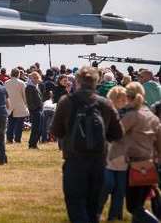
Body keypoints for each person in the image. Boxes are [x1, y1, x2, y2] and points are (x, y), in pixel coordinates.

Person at [51, 67, 123, 223]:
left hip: (74, 161)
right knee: (93, 208)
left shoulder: (67, 102)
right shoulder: (105, 103)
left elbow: (56, 131)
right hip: (98, 162)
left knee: (75, 204)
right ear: (96, 82)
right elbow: (118, 134)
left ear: (77, 82)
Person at [120, 82, 161, 222]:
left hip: (135, 165)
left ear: (128, 97)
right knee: (139, 205)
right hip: (150, 165)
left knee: (133, 207)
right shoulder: (153, 116)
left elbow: (116, 135)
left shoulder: (132, 116)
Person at [97, 86, 129, 221]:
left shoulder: (127, 114)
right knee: (107, 185)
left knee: (120, 190)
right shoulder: (105, 112)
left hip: (123, 158)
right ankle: (96, 211)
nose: (125, 101)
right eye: (122, 99)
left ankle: (115, 216)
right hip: (108, 156)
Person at [5, 68, 28, 143]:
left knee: (10, 123)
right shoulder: (21, 83)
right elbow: (25, 95)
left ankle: (9, 138)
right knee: (19, 124)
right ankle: (17, 139)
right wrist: (26, 104)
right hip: (20, 105)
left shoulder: (6, 82)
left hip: (10, 105)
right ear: (18, 74)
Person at [25, 72, 44, 149]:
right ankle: (32, 144)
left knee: (38, 128)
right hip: (35, 110)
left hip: (38, 109)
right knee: (36, 128)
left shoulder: (36, 86)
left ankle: (34, 144)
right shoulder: (29, 87)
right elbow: (30, 101)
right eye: (34, 78)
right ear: (31, 78)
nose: (36, 79)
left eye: (37, 77)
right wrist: (35, 110)